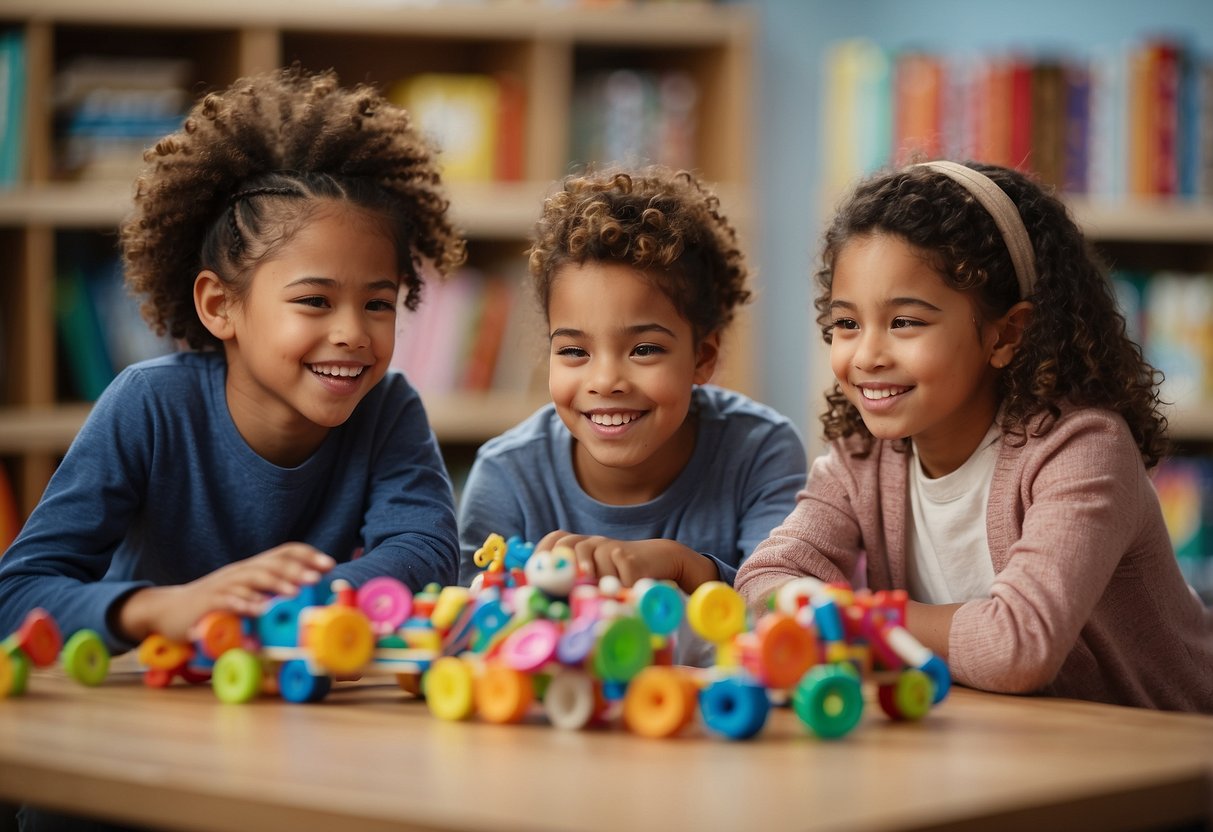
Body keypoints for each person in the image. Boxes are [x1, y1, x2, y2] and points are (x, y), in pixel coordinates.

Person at [0, 67, 466, 654]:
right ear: (220, 307)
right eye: (314, 301)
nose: (353, 332)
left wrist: (295, 603)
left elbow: (424, 553)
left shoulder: (389, 409)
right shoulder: (149, 405)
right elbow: (18, 594)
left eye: (378, 303)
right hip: (149, 698)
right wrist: (163, 608)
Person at [735, 160, 1213, 712]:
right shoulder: (863, 457)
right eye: (846, 324)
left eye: (905, 322)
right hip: (1018, 747)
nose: (866, 355)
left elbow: (1016, 646)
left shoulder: (1082, 450)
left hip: (1167, 763)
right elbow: (767, 579)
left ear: (1007, 334)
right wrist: (827, 611)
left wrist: (851, 616)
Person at [457, 166, 807, 643]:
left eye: (644, 350)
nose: (605, 381)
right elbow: (464, 625)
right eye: (575, 352)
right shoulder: (508, 475)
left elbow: (787, 613)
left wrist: (686, 567)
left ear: (702, 357)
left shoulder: (759, 451)